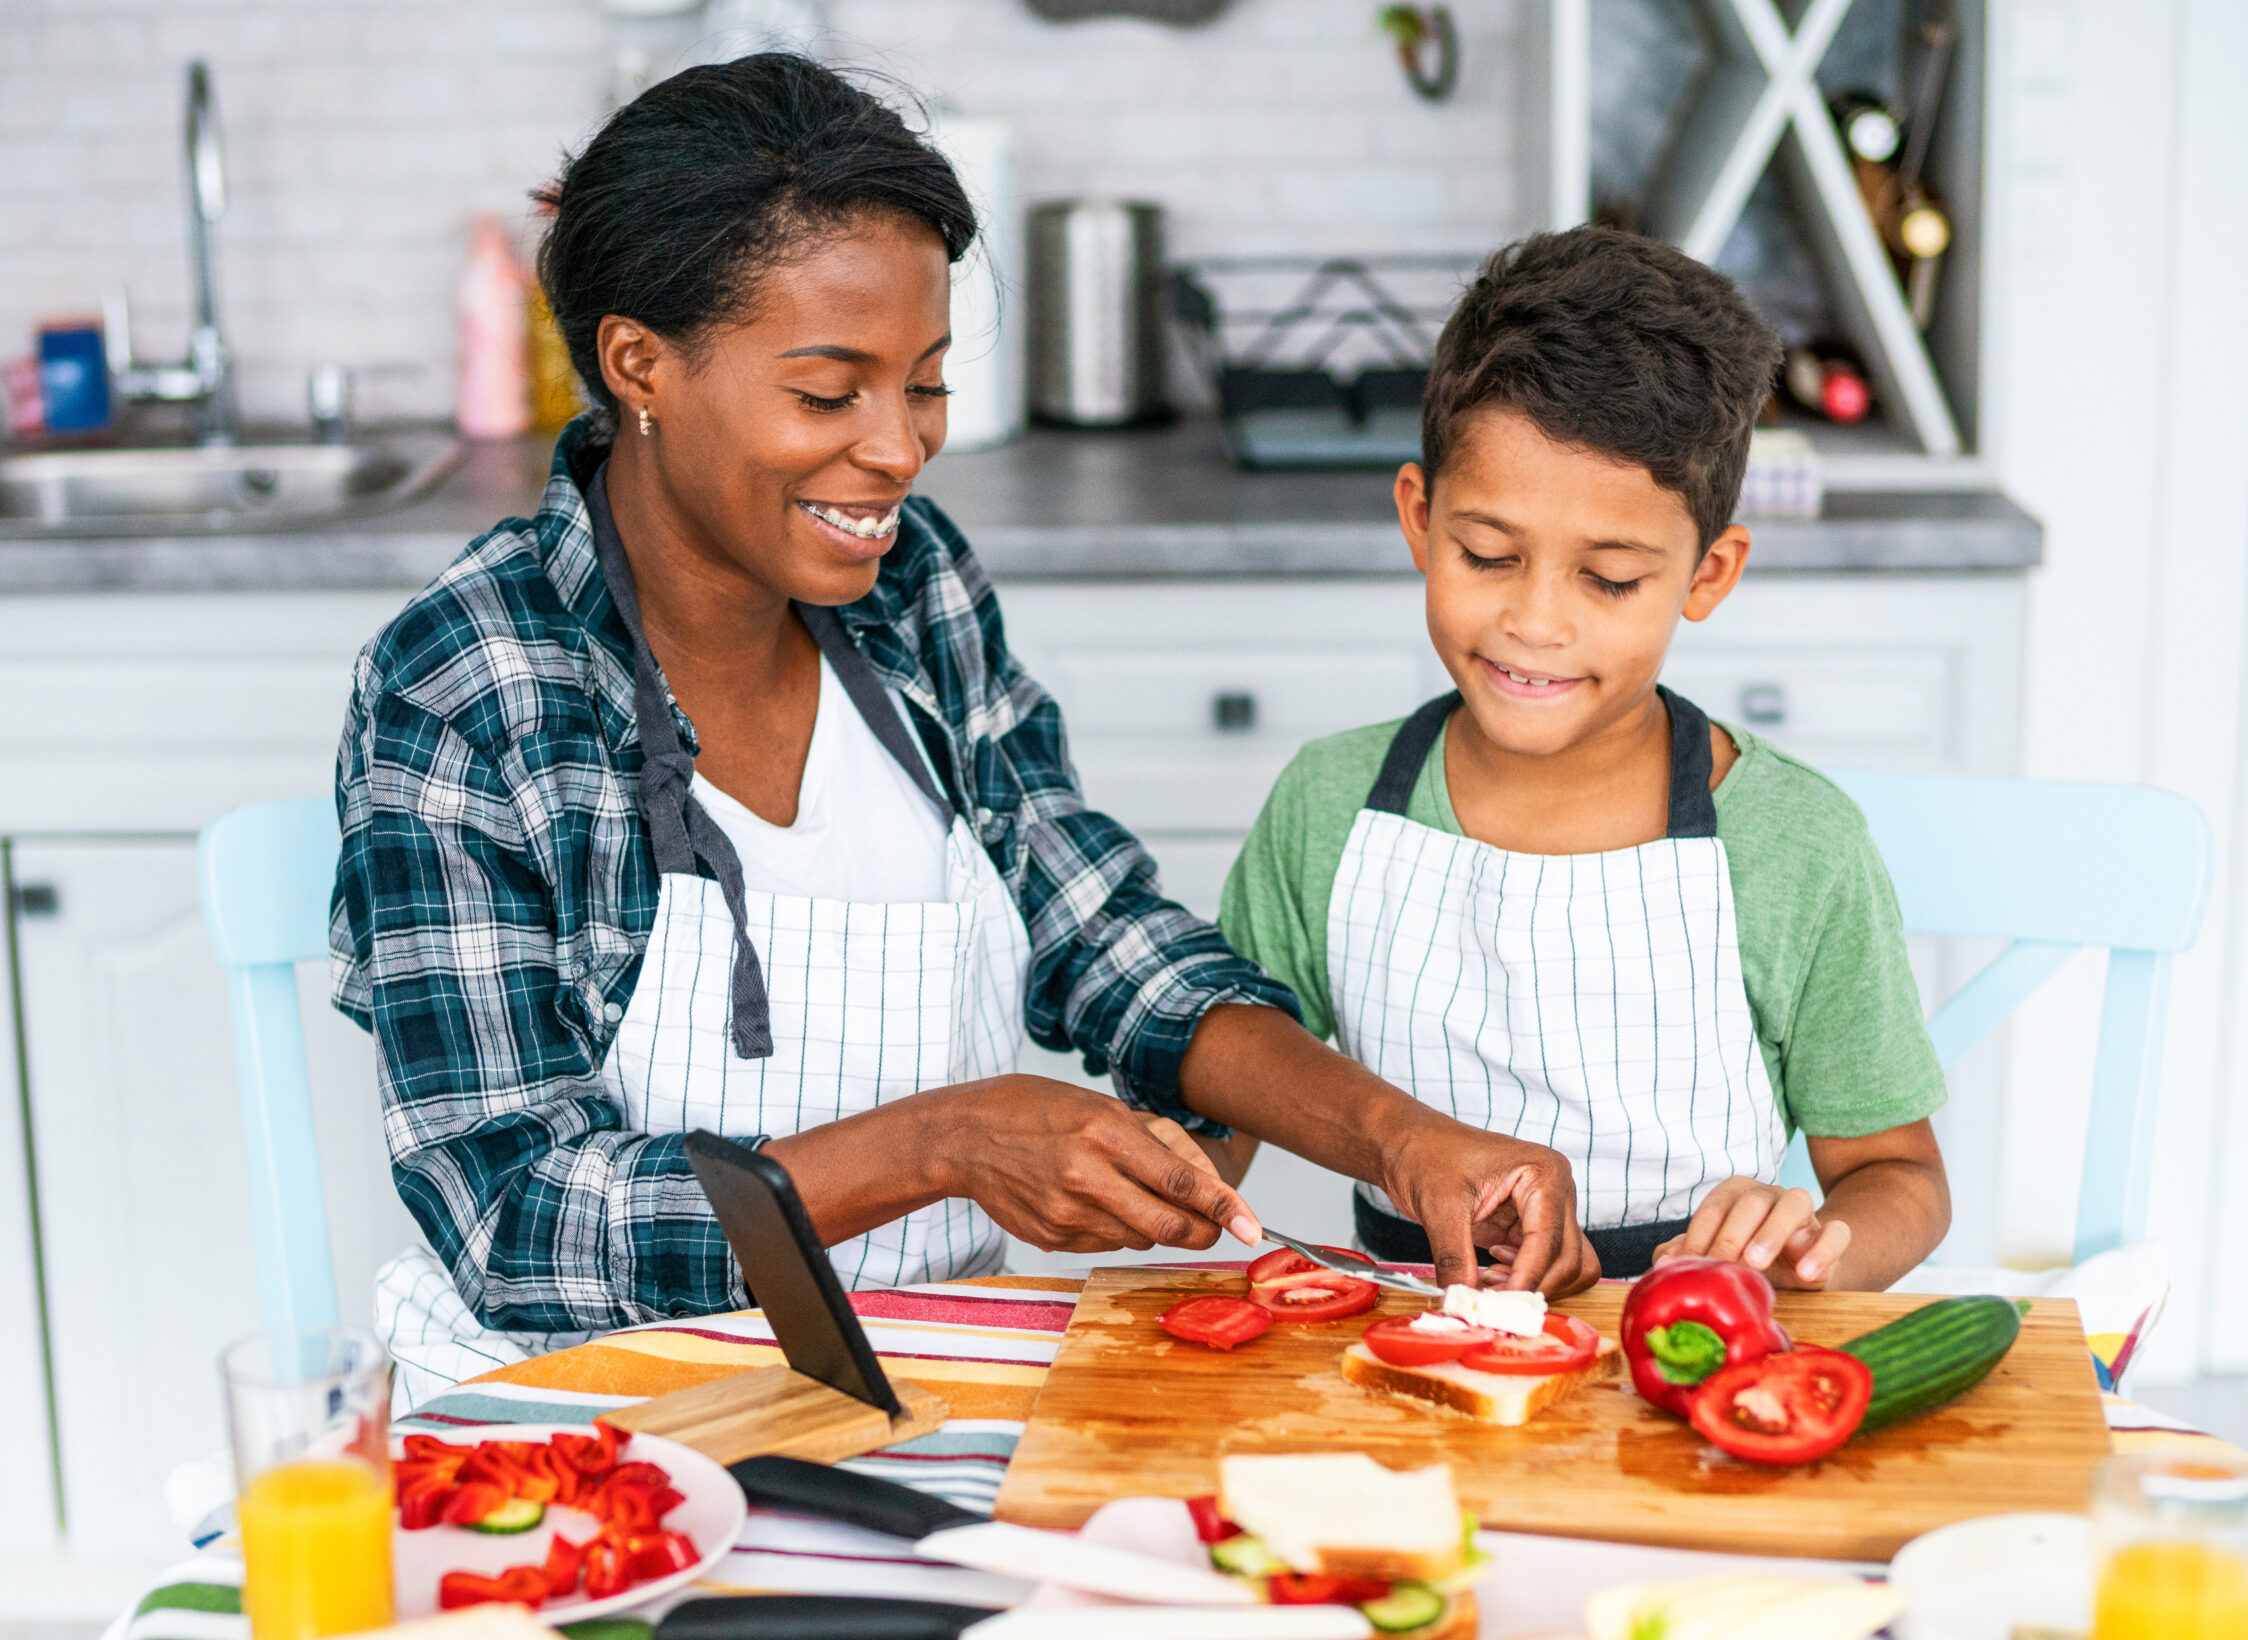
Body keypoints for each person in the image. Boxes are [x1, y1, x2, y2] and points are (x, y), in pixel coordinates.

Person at [331, 55, 1596, 1408]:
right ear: (639, 361)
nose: (897, 450)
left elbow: (1100, 932)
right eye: (828, 394)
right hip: (587, 1410)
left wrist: (1405, 1143)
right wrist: (945, 1141)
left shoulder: (912, 584)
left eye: (923, 383)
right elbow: (517, 1215)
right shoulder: (465, 686)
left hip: (927, 1377)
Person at [1220, 228, 1953, 1290]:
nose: (1535, 622)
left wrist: (1808, 1248)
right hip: (1401, 1347)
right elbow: (1229, 1076)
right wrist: (1162, 1154)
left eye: (1609, 579)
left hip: (1687, 1350)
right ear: (1419, 520)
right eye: (1487, 556)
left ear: (1706, 573)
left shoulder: (1797, 845)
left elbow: (1898, 1174)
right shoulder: (1329, 805)